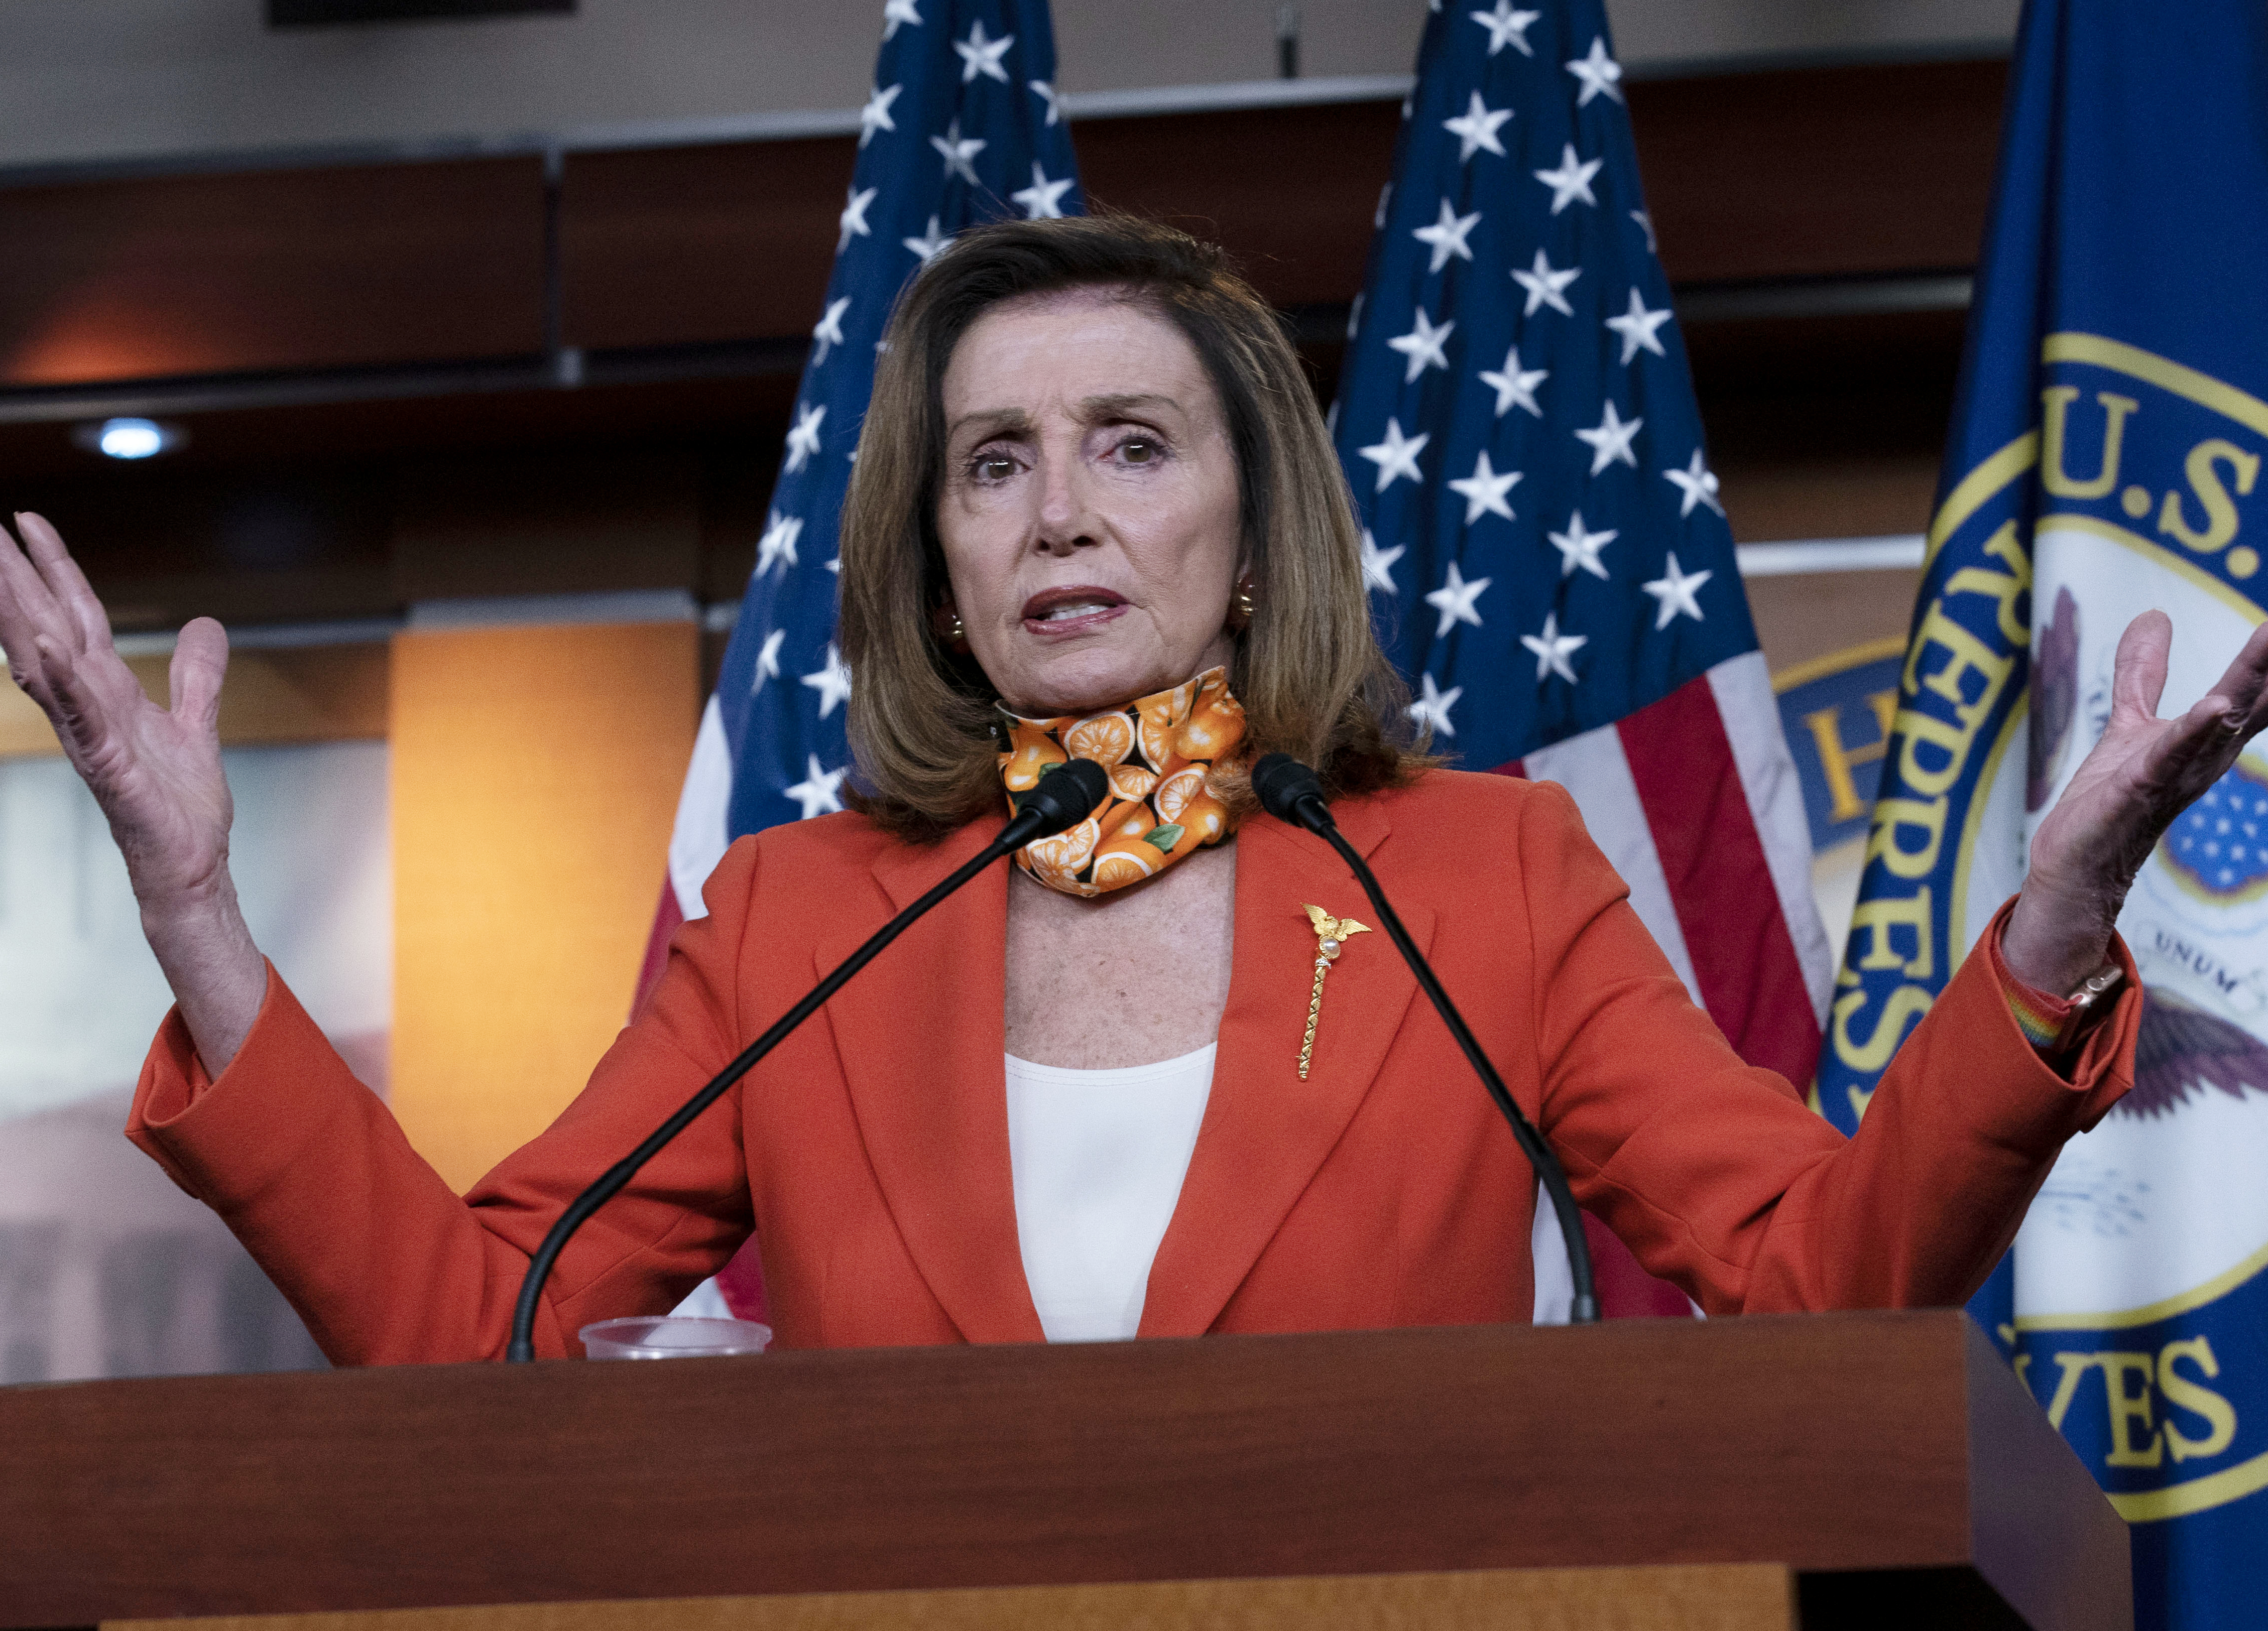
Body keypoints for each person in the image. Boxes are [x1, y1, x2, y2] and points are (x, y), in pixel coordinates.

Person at [1, 215, 2258, 1363]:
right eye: (995, 463)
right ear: (947, 573)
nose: (1058, 509)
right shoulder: (794, 919)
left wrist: (2047, 937)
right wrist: (200, 918)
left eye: (1129, 445)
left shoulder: (1483, 875)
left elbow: (1812, 1275)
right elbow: (465, 1327)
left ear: (1249, 537)